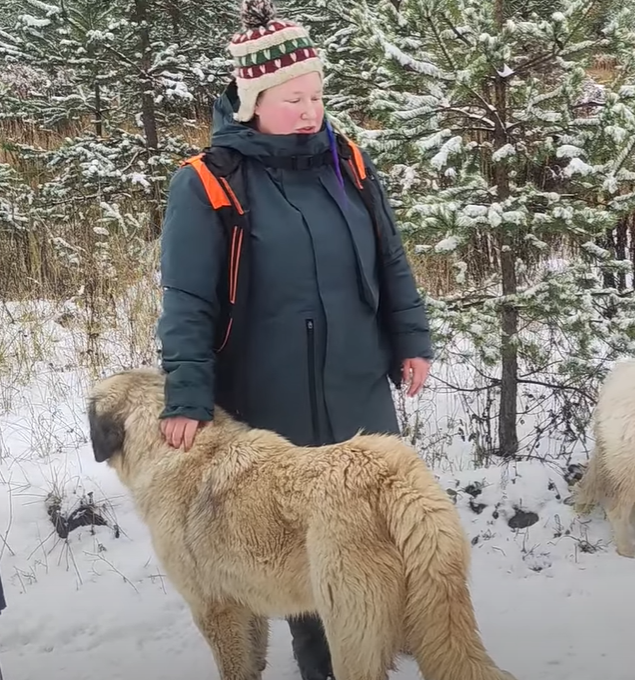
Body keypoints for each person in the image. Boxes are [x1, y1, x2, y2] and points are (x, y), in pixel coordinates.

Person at [154, 2, 433, 678]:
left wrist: (411, 337)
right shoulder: (208, 182)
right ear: (252, 101)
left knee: (374, 512)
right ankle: (328, 663)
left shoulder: (348, 163)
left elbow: (390, 258)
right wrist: (186, 394)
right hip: (272, 396)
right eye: (293, 100)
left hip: (357, 382)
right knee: (308, 541)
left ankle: (384, 628)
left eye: (316, 96)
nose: (310, 111)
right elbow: (187, 300)